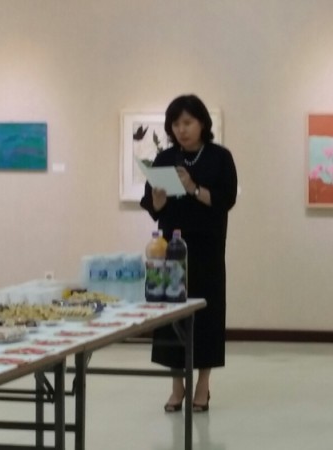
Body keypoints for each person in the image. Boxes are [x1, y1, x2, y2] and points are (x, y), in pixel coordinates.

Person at [140, 94, 238, 413]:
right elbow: (153, 206)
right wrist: (158, 200)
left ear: (202, 123)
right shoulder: (165, 158)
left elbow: (225, 200)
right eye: (175, 124)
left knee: (207, 317)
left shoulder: (220, 157)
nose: (181, 129)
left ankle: (203, 385)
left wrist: (193, 187)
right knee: (171, 316)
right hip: (170, 248)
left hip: (207, 249)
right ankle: (176, 386)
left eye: (187, 122)